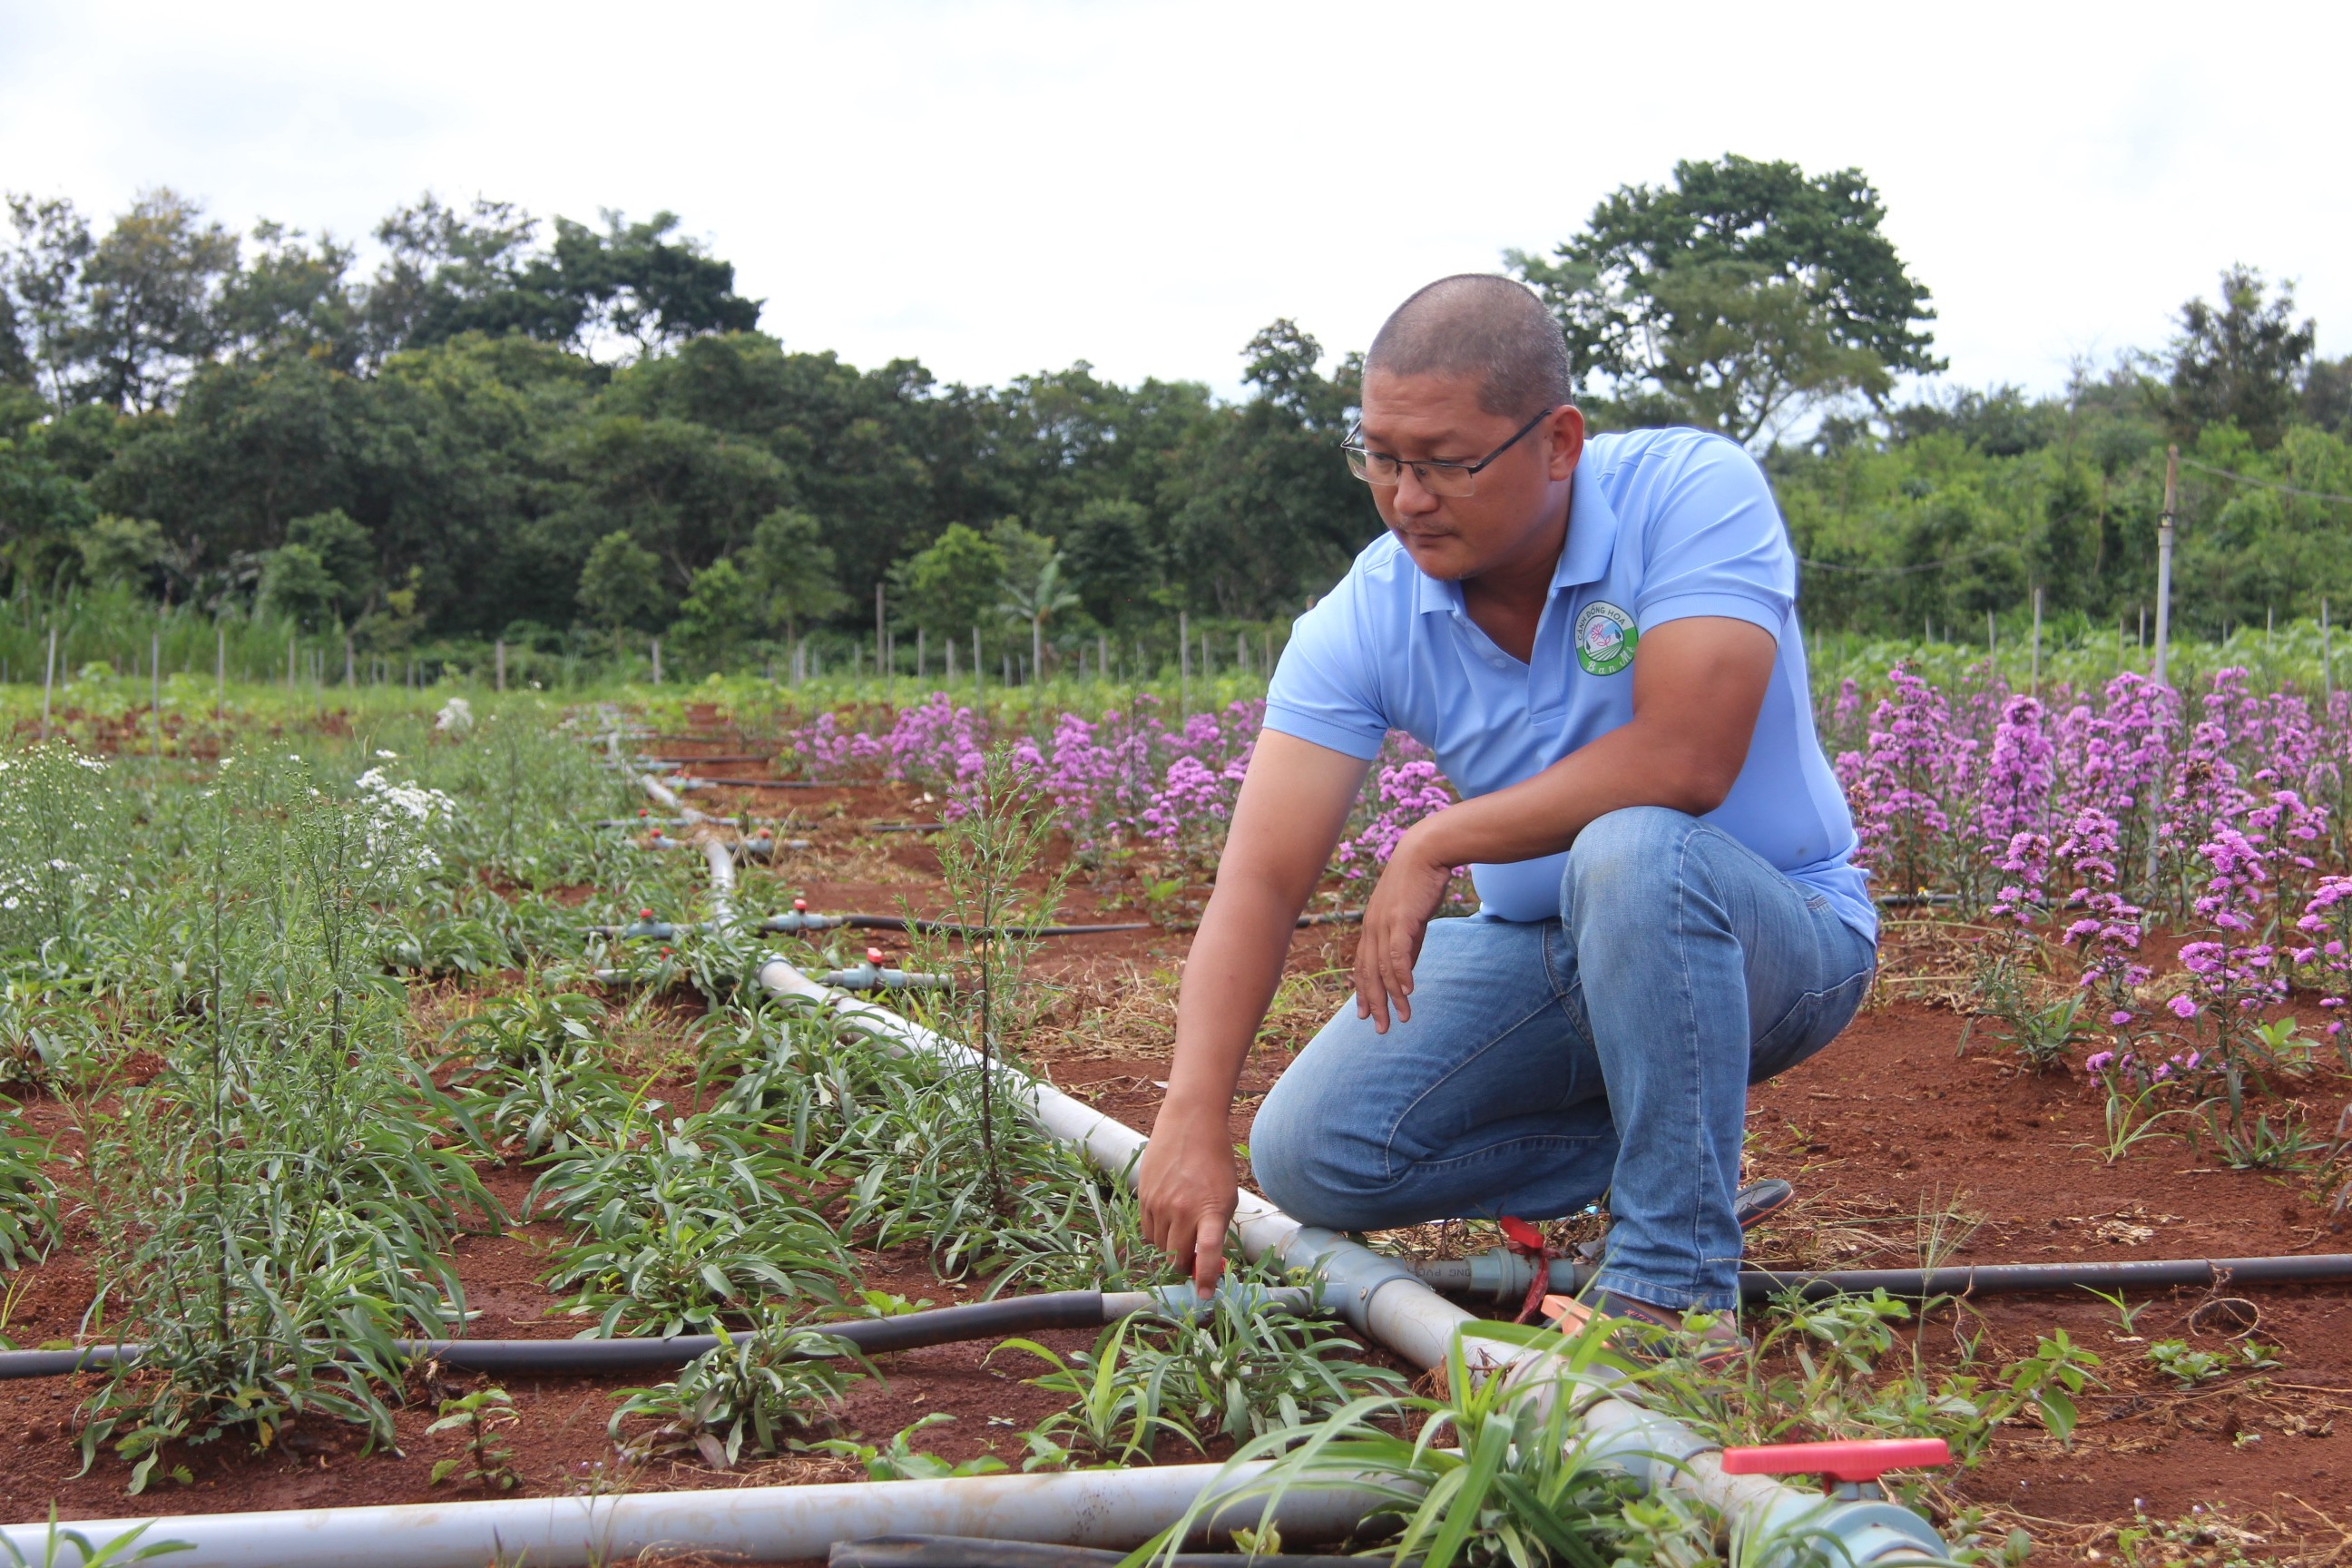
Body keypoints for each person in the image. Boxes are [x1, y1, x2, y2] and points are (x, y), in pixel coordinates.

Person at [1134, 274, 1876, 1348]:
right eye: (1380, 458)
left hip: (1780, 938)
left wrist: (1438, 837)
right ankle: (1683, 1158)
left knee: (1633, 854)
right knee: (1316, 1152)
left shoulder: (1689, 495)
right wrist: (1189, 1115)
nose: (1407, 498)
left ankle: (1670, 1294)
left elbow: (1687, 760)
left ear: (1560, 442)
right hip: (1550, 950)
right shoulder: (1369, 614)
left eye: (1445, 462)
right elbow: (1261, 878)